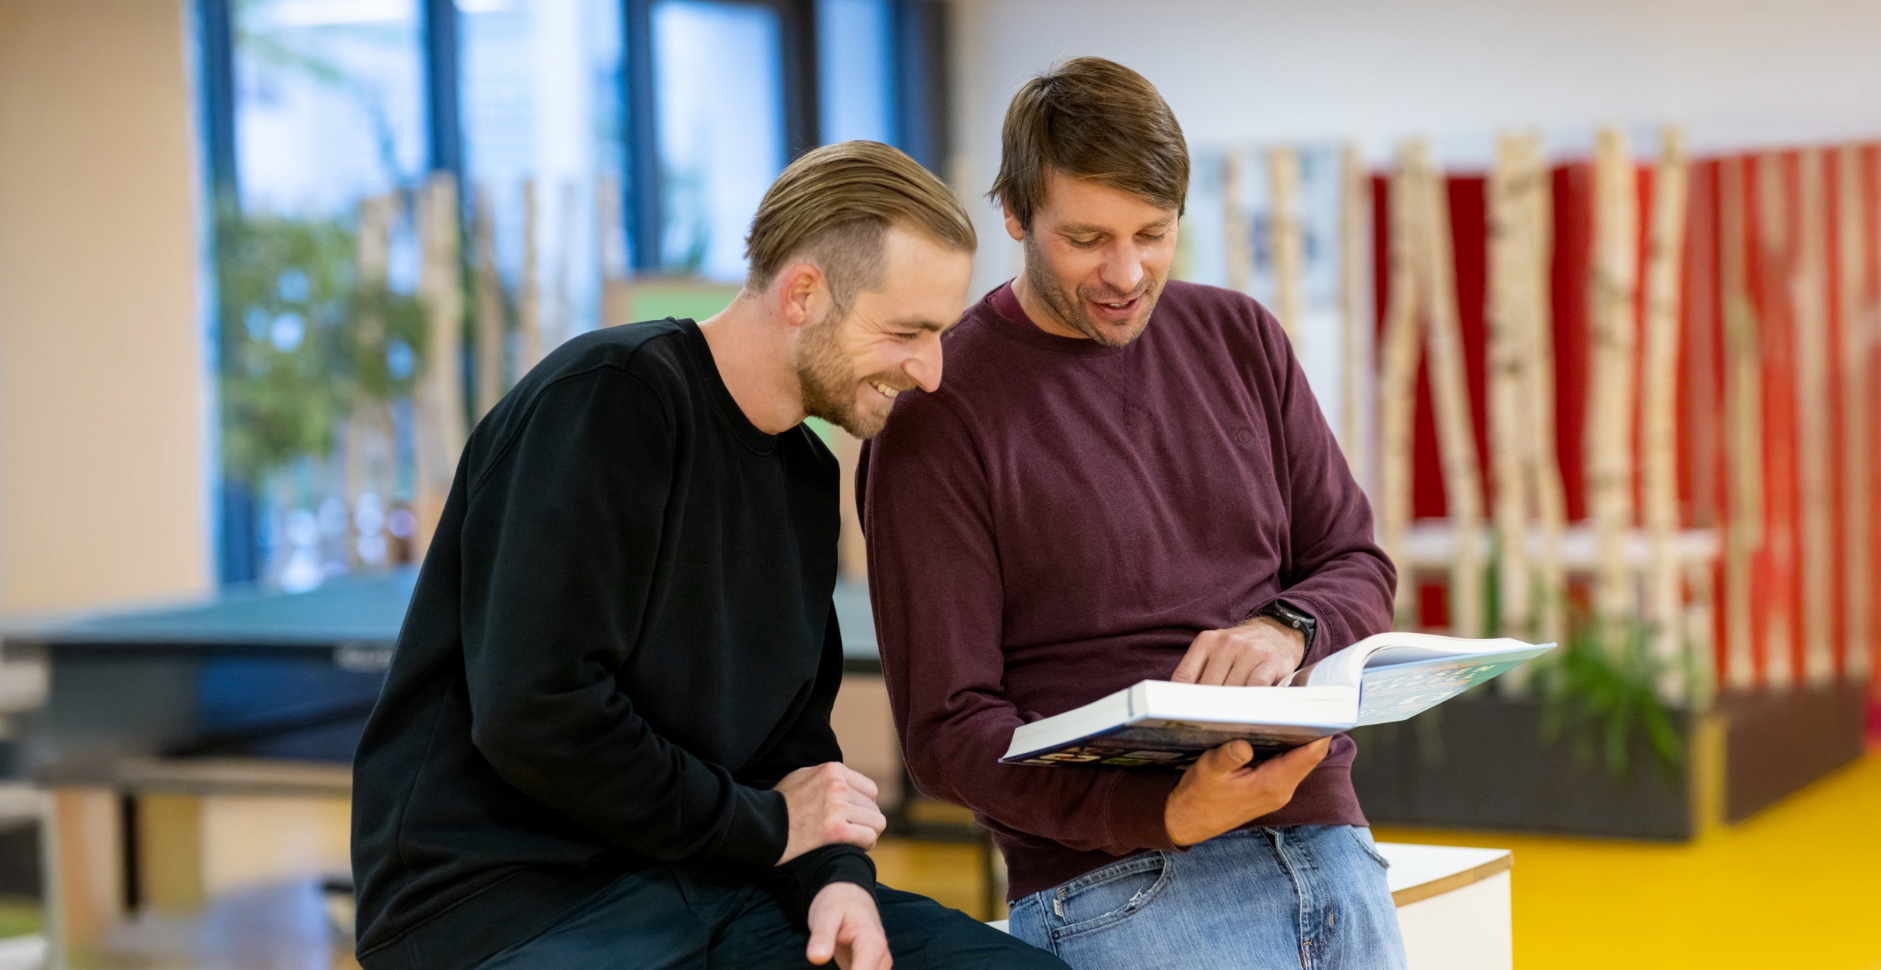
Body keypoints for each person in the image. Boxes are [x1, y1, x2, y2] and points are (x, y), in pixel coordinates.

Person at [351, 140, 1067, 970]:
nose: (932, 371)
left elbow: (789, 743)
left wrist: (833, 879)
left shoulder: (805, 476)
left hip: (708, 881)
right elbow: (538, 713)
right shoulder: (609, 402)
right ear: (803, 293)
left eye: (939, 332)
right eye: (908, 331)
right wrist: (767, 826)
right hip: (505, 904)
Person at [859, 59, 1407, 970]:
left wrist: (1285, 628)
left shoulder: (1241, 337)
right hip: (1118, 883)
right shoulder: (939, 412)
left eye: (1154, 233)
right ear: (1014, 214)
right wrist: (1161, 812)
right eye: (1087, 239)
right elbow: (947, 732)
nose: (1126, 273)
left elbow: (1356, 562)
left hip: (1329, 849)